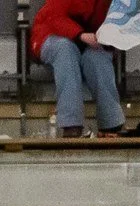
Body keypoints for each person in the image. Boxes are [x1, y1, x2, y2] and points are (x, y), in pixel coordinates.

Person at [30, 0, 124, 138]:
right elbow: (54, 16)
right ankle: (71, 124)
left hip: (89, 39)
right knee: (65, 50)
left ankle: (112, 123)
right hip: (50, 35)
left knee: (98, 58)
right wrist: (80, 35)